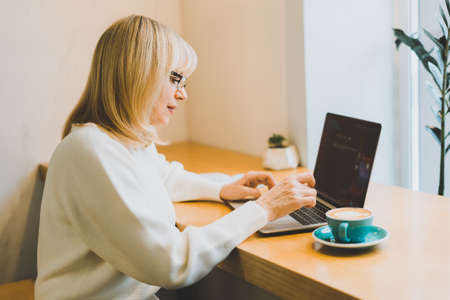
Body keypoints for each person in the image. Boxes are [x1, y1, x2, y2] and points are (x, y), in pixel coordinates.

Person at [35, 15, 317, 300]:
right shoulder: (90, 151)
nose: (182, 95)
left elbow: (163, 176)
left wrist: (222, 188)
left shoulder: (122, 142)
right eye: (175, 78)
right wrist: (264, 209)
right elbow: (171, 263)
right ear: (138, 73)